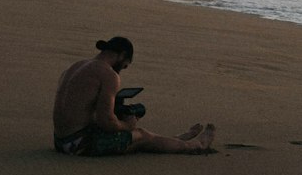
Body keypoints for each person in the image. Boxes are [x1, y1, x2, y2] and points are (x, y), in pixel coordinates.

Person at [52, 36, 215, 157]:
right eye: (124, 66)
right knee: (141, 135)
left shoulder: (75, 66)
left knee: (138, 136)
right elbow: (106, 122)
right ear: (122, 55)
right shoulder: (108, 74)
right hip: (80, 145)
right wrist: (127, 125)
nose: (121, 70)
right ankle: (196, 145)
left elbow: (80, 111)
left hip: (61, 142)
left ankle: (177, 140)